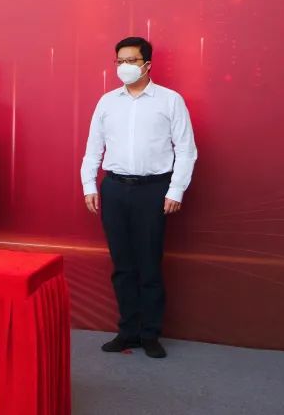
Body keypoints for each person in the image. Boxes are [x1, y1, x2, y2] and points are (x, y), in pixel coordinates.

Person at [81, 36, 198, 359]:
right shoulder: (107, 102)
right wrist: (89, 185)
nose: (124, 67)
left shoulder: (170, 100)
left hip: (153, 190)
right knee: (122, 265)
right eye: (119, 61)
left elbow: (186, 150)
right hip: (115, 188)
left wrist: (175, 189)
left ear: (147, 64)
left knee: (149, 264)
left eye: (131, 61)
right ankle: (127, 331)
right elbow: (93, 147)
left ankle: (150, 333)